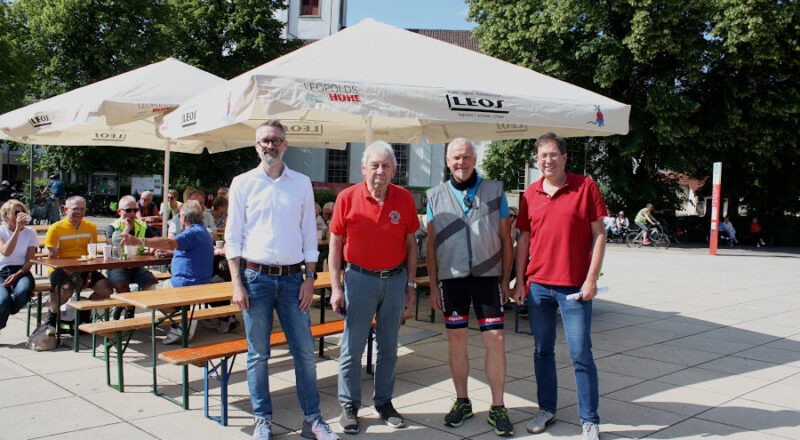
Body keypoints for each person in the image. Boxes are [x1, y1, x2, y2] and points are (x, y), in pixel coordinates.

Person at [225, 120, 338, 440]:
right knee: (258, 355)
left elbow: (309, 234)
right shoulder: (242, 183)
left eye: (276, 140)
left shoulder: (301, 183)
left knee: (304, 352)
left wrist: (310, 278)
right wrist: (236, 282)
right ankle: (263, 419)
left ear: (285, 145)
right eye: (264, 141)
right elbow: (232, 237)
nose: (270, 146)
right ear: (255, 146)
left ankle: (312, 420)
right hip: (254, 277)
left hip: (292, 282)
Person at [513, 133, 606, 440]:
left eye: (553, 155)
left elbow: (599, 235)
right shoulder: (530, 193)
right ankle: (546, 409)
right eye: (543, 156)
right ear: (536, 160)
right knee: (542, 351)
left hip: (574, 288)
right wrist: (520, 281)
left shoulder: (585, 187)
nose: (548, 160)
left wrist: (592, 277)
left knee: (580, 353)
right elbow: (523, 239)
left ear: (565, 158)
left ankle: (589, 420)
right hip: (538, 285)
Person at [424, 137, 514, 436]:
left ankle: (498, 405)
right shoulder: (434, 195)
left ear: (474, 159)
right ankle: (462, 400)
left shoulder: (494, 190)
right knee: (456, 341)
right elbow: (431, 246)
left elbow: (505, 238)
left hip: (488, 277)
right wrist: (434, 286)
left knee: (496, 340)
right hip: (452, 279)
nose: (460, 163)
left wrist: (505, 279)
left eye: (466, 157)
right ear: (447, 162)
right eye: (455, 158)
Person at [329, 141, 418, 434]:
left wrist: (411, 283)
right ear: (363, 167)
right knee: (351, 348)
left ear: (394, 169)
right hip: (358, 280)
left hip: (394, 281)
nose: (380, 171)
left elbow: (410, 245)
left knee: (389, 347)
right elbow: (335, 245)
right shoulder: (346, 198)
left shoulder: (404, 199)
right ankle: (349, 406)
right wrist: (335, 287)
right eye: (374, 165)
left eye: (385, 166)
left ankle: (384, 403)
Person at [121, 199, 213, 344]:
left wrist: (139, 241)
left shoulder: (192, 232)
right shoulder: (203, 231)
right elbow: (182, 248)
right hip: (200, 282)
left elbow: (169, 242)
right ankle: (181, 318)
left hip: (185, 284)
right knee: (152, 283)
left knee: (145, 291)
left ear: (183, 217)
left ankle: (180, 323)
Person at [44, 196, 113, 328]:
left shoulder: (90, 227)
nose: (79, 212)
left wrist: (90, 272)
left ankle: (83, 312)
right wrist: (71, 273)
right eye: (75, 209)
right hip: (59, 269)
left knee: (106, 289)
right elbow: (53, 258)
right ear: (65, 209)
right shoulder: (55, 228)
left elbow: (91, 253)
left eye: (82, 209)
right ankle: (51, 318)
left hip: (83, 268)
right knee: (66, 290)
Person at [106, 196, 159, 320]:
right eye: (128, 210)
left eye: (135, 210)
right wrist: (127, 229)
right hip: (117, 266)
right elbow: (112, 244)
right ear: (119, 212)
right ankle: (129, 310)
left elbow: (154, 241)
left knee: (152, 285)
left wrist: (157, 248)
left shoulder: (142, 225)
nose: (132, 214)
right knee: (122, 287)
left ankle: (124, 306)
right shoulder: (113, 226)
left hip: (137, 266)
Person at [0, 200, 37, 333]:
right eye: (16, 212)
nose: (20, 215)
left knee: (23, 292)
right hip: (2, 271)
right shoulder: (1, 231)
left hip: (21, 270)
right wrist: (17, 230)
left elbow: (30, 259)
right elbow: (6, 251)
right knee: (2, 300)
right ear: (5, 216)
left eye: (22, 212)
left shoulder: (30, 232)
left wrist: (18, 273)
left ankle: (7, 310)